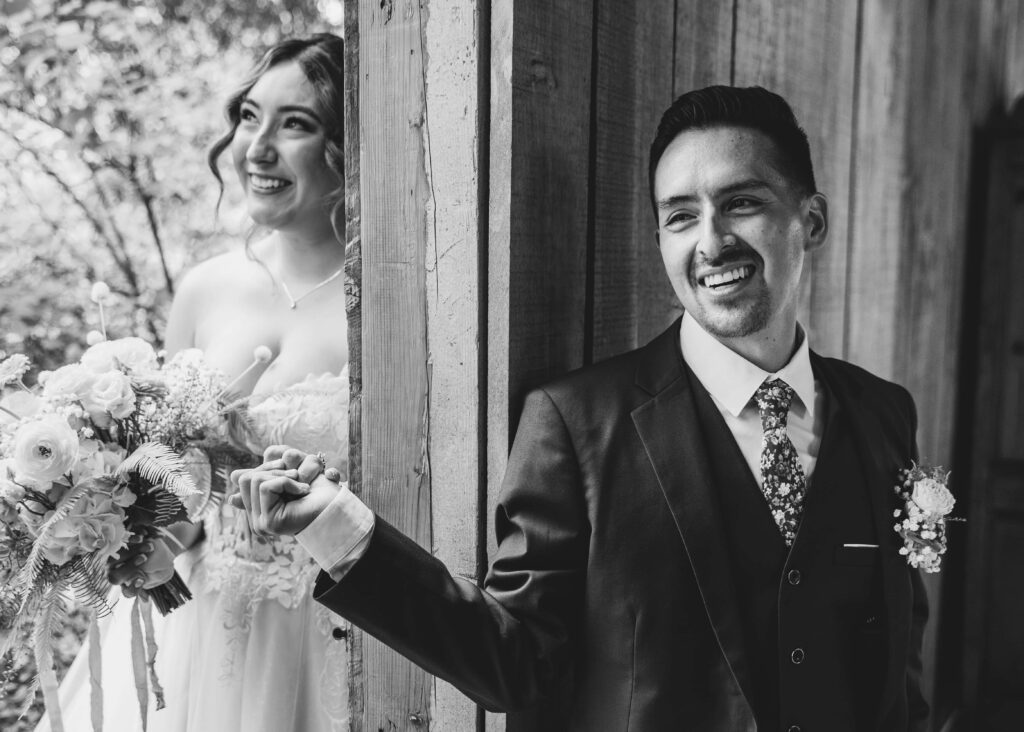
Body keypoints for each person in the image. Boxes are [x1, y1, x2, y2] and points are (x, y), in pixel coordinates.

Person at [233, 86, 929, 731]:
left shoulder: (882, 414)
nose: (711, 241)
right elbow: (517, 665)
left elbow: (897, 653)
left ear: (811, 220)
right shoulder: (576, 423)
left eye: (742, 203)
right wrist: (338, 528)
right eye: (681, 216)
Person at [38, 33, 351, 732]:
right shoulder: (206, 289)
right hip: (202, 632)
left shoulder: (384, 301)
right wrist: (108, 518)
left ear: (344, 147)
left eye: (294, 124)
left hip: (334, 629)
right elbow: (177, 502)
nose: (256, 148)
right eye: (249, 116)